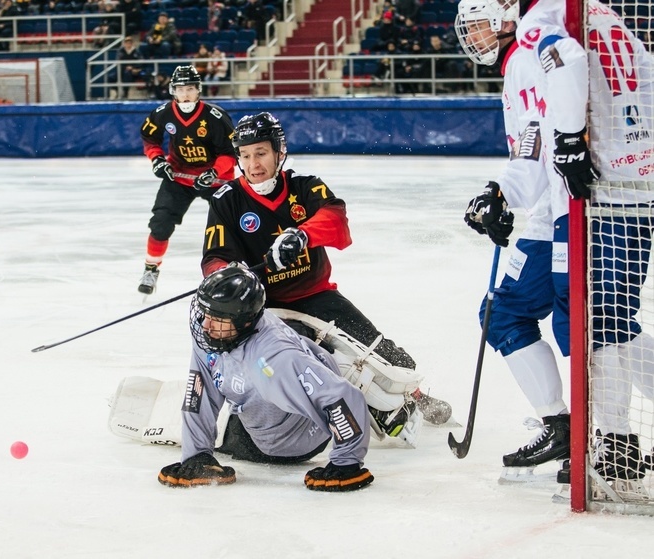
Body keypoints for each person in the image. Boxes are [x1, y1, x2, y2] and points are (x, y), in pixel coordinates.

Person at [458, 0, 654, 491]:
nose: (473, 36)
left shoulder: (540, 31)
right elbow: (534, 137)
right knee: (507, 313)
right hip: (574, 205)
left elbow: (548, 126)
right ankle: (565, 428)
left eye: (480, 23)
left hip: (589, 202)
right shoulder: (604, 18)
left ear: (505, 15)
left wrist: (566, 145)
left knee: (596, 322)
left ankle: (612, 439)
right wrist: (501, 191)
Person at [198, 111, 453, 429]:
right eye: (245, 156)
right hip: (263, 307)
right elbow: (213, 259)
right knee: (317, 361)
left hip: (316, 295)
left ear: (279, 152)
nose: (253, 164)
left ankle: (416, 396)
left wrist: (302, 235)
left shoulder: (306, 187)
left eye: (261, 153)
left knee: (384, 353)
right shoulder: (226, 200)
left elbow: (337, 221)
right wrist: (231, 274)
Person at [156, 264, 375, 491]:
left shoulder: (274, 360)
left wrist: (346, 463)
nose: (205, 325)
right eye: (205, 312)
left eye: (217, 318)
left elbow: (344, 397)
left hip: (290, 443)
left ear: (244, 321)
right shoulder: (211, 334)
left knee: (238, 430)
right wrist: (196, 455)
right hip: (268, 396)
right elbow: (199, 392)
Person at [137, 65, 236, 295]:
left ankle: (235, 268)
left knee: (231, 226)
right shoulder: (163, 113)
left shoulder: (215, 116)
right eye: (181, 90)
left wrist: (214, 173)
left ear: (198, 90)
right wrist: (157, 160)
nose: (185, 95)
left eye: (190, 89)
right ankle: (151, 268)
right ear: (173, 91)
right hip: (179, 176)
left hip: (214, 178)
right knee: (160, 223)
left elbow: (230, 152)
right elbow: (149, 138)